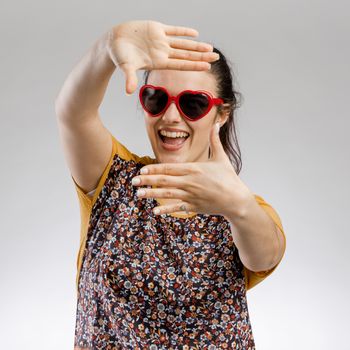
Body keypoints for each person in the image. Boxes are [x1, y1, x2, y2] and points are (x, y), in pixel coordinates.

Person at [55, 20, 286, 350]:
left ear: (221, 114)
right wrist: (105, 50)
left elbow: (265, 256)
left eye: (193, 103)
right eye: (157, 99)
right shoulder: (112, 177)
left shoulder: (241, 208)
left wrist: (239, 207)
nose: (172, 117)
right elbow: (73, 114)